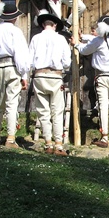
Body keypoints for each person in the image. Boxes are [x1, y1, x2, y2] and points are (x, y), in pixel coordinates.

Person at [0, 2, 30, 149]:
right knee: (12, 102)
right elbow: (21, 53)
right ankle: (10, 138)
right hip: (12, 66)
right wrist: (24, 74)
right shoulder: (16, 32)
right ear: (15, 18)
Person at [70, 15, 109, 148]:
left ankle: (104, 137)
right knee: (105, 102)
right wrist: (83, 36)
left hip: (102, 76)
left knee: (102, 105)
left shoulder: (98, 41)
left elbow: (86, 50)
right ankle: (103, 129)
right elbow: (94, 39)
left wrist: (76, 44)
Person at [29, 10, 72, 156]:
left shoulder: (35, 38)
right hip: (55, 76)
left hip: (39, 75)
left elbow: (30, 60)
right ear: (54, 25)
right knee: (57, 111)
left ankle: (48, 143)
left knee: (43, 111)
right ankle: (58, 145)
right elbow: (67, 63)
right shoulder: (61, 39)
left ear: (42, 25)